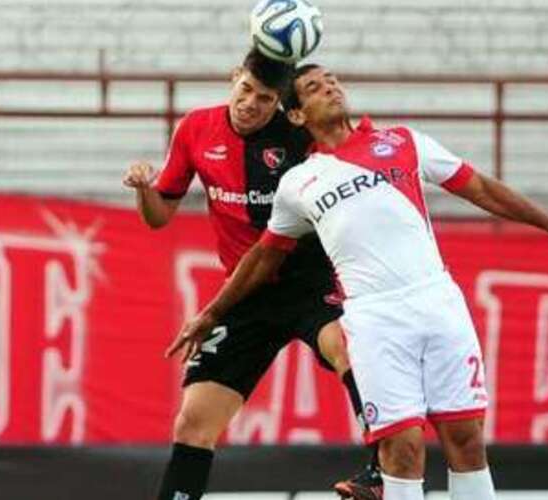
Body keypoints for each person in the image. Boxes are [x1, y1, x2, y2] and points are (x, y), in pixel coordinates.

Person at [166, 63, 548, 500]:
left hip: (438, 301)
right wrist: (212, 312)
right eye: (314, 88)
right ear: (296, 115)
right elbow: (263, 255)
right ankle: (377, 476)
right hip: (375, 319)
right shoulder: (298, 183)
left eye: (332, 80)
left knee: (466, 439)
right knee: (403, 448)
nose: (330, 88)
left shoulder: (404, 142)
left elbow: (480, 188)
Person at [123, 50, 381, 500]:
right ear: (233, 79)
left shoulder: (298, 135)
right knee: (194, 421)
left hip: (308, 280)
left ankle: (380, 470)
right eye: (245, 91)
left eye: (265, 99)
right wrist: (145, 190)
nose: (251, 105)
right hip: (244, 292)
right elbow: (159, 215)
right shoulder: (194, 129)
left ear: (279, 104)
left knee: (348, 348)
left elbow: (349, 154)